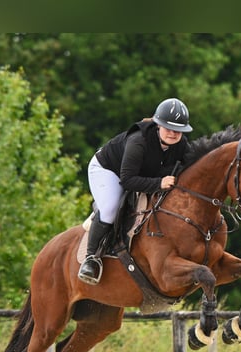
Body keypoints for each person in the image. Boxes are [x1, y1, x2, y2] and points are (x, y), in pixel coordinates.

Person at [77, 97, 194, 285]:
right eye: (169, 128)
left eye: (178, 130)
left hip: (140, 173)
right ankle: (91, 258)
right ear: (158, 125)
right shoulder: (138, 141)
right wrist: (159, 183)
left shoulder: (181, 144)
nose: (173, 134)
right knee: (111, 208)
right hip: (108, 170)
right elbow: (128, 180)